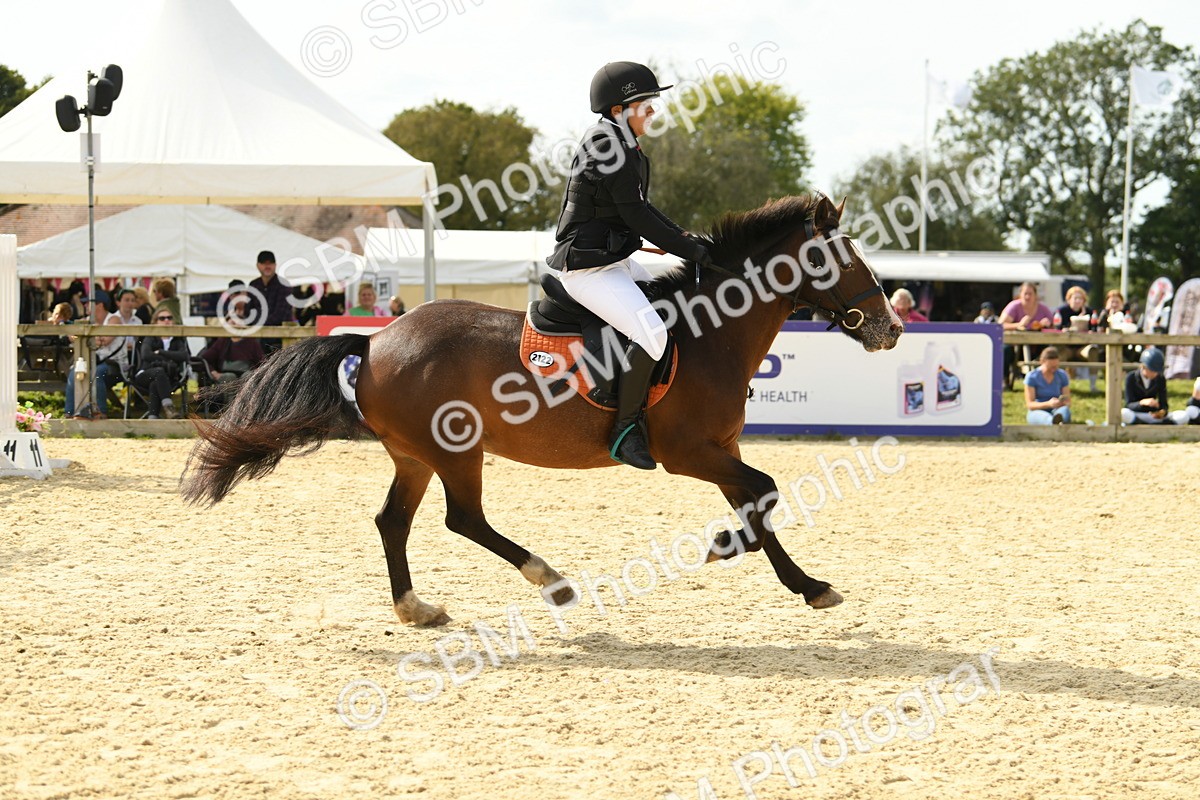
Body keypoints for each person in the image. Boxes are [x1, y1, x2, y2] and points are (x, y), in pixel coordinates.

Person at [545, 61, 714, 470]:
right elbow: (637, 214)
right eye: (647, 103)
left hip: (613, 261)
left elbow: (634, 212)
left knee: (680, 292)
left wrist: (681, 242)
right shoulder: (609, 145)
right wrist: (688, 248)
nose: (654, 111)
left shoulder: (621, 142)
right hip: (588, 272)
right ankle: (625, 429)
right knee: (653, 334)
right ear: (621, 108)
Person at [135, 308, 190, 419]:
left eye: (169, 318)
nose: (166, 320)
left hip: (168, 379)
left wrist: (161, 352)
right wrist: (170, 357)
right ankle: (169, 407)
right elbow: (146, 355)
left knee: (156, 383)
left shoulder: (177, 340)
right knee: (159, 372)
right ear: (156, 322)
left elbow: (184, 356)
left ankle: (153, 418)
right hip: (145, 374)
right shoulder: (150, 338)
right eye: (162, 318)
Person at [248, 250, 294, 353]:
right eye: (264, 263)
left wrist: (258, 323)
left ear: (275, 265)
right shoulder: (253, 285)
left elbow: (281, 314)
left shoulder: (284, 285)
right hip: (256, 338)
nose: (267, 266)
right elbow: (249, 311)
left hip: (279, 339)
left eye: (270, 263)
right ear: (258, 265)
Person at [198, 327, 264, 383]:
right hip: (226, 374)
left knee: (248, 376)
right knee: (229, 377)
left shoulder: (252, 342)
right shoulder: (222, 341)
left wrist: (256, 372)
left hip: (246, 372)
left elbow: (262, 362)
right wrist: (213, 372)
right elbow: (204, 359)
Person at [1121, 348, 1169, 425]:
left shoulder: (1160, 379)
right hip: (1136, 414)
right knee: (1123, 413)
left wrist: (1162, 412)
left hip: (1152, 416)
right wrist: (1141, 403)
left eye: (1157, 371)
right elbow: (1128, 404)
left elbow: (1164, 404)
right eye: (1152, 370)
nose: (1155, 374)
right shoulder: (1131, 377)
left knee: (1182, 416)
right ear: (1143, 366)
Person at [1024, 346, 1071, 424]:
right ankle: (1053, 422)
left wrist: (1062, 403)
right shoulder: (1032, 376)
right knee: (1045, 418)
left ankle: (1058, 421)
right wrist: (1048, 404)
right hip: (1038, 410)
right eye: (1051, 367)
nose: (1054, 369)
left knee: (1065, 410)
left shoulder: (1062, 375)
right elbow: (1030, 404)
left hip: (1057, 409)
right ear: (1042, 362)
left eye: (1056, 366)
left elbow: (1068, 401)